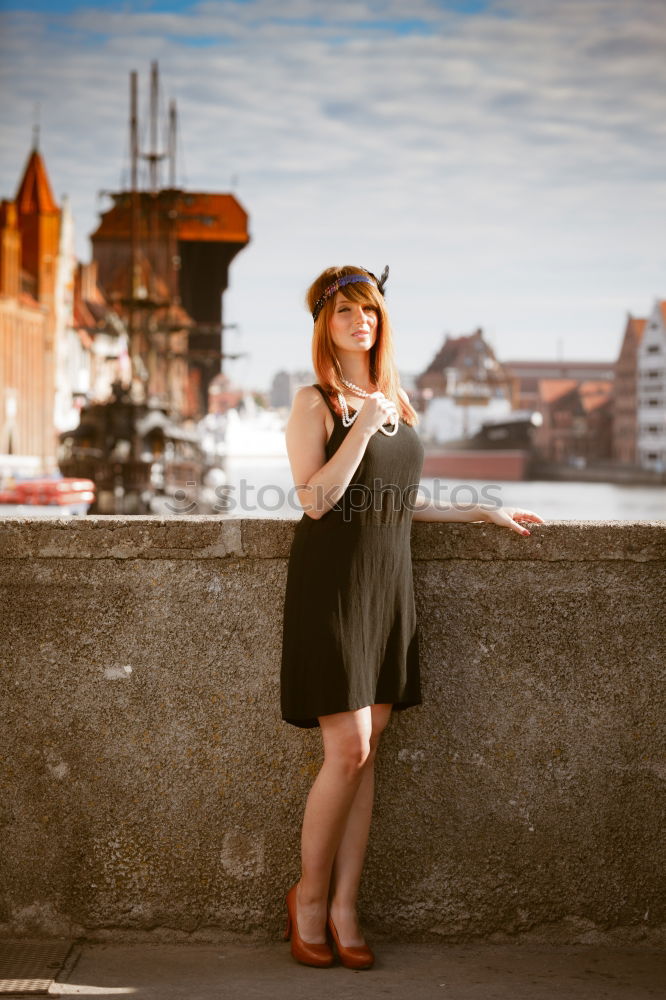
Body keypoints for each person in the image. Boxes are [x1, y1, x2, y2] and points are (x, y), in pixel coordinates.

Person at [280, 265, 543, 970]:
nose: (360, 322)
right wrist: (361, 425)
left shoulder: (394, 399)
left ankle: (345, 905)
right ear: (323, 327)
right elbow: (314, 500)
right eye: (344, 314)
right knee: (349, 749)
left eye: (368, 310)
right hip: (333, 588)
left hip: (387, 586)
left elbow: (397, 503)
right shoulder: (316, 402)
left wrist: (478, 510)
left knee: (369, 757)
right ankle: (307, 898)